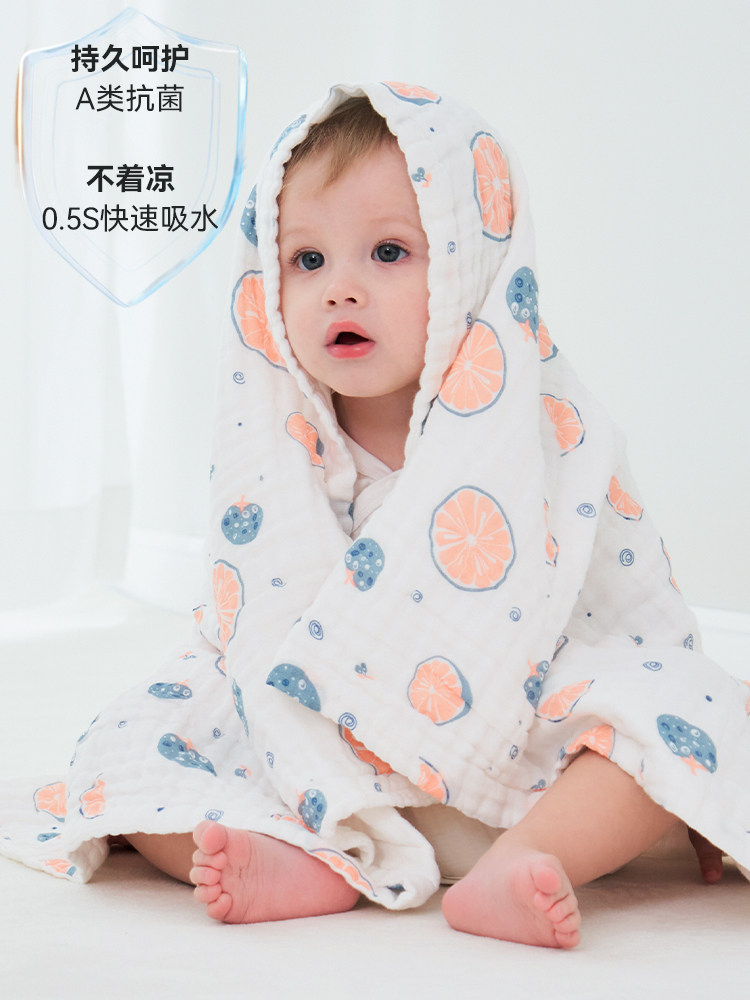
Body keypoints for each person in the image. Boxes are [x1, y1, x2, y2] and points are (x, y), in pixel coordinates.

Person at [1, 84, 742, 949]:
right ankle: (310, 860)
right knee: (130, 739)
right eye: (307, 260)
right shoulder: (274, 440)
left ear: (470, 261)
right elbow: (253, 619)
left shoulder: (547, 428)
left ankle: (528, 862)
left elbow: (624, 610)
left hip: (516, 761)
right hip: (317, 761)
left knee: (696, 703)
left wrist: (694, 780)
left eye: (388, 252)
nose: (339, 290)